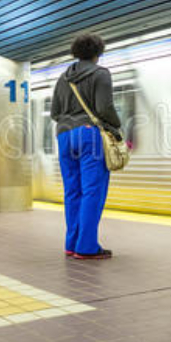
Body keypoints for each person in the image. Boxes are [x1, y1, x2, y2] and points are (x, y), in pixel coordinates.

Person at [50, 33, 122, 260]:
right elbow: (104, 107)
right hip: (89, 135)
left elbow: (54, 113)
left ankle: (71, 244)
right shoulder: (100, 74)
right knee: (93, 190)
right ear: (98, 54)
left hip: (64, 136)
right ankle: (87, 247)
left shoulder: (63, 78)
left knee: (73, 191)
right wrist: (116, 127)